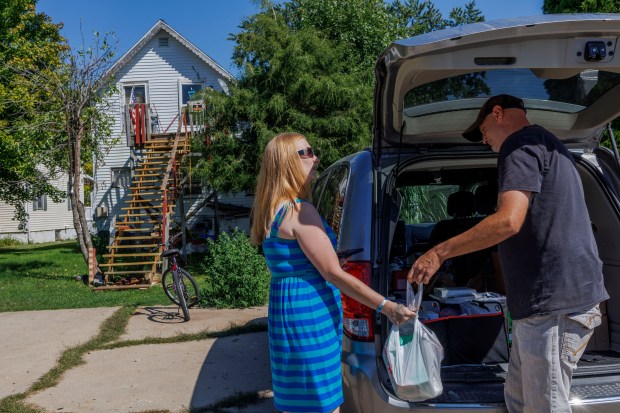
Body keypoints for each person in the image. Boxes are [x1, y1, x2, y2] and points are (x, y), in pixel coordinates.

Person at [408, 94, 609, 412]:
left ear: (498, 113)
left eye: (483, 129)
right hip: (550, 306)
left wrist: (439, 252)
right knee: (517, 400)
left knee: (545, 406)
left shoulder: (519, 145)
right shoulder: (550, 145)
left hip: (554, 308)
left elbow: (508, 221)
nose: (484, 140)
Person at [251, 132, 416, 413]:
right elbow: (333, 274)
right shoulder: (300, 211)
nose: (315, 157)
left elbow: (280, 265)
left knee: (298, 400)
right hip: (311, 314)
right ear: (286, 162)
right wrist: (387, 306)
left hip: (286, 311)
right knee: (323, 403)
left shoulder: (270, 211)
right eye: (306, 152)